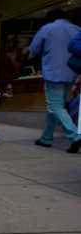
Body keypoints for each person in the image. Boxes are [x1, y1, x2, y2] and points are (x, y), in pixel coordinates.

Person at [29, 9, 81, 153]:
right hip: (72, 72)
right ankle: (46, 138)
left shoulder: (47, 29)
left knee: (56, 106)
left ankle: (75, 135)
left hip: (53, 73)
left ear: (49, 19)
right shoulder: (76, 28)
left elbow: (33, 50)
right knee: (55, 106)